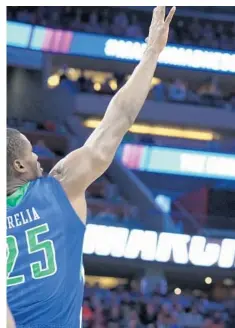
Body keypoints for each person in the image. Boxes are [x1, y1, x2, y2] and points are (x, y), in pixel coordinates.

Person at [6, 6, 175, 327]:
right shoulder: (58, 186)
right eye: (31, 154)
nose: (38, 158)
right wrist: (152, 53)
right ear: (18, 165)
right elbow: (118, 120)